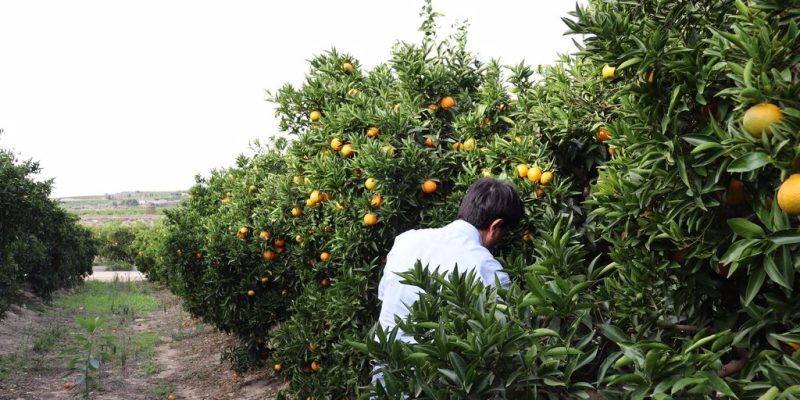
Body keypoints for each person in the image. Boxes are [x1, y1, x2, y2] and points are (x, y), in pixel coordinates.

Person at [376, 177, 524, 344]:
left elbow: (385, 298)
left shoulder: (405, 240)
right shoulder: (485, 267)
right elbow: (506, 331)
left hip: (386, 364)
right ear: (496, 226)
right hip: (432, 368)